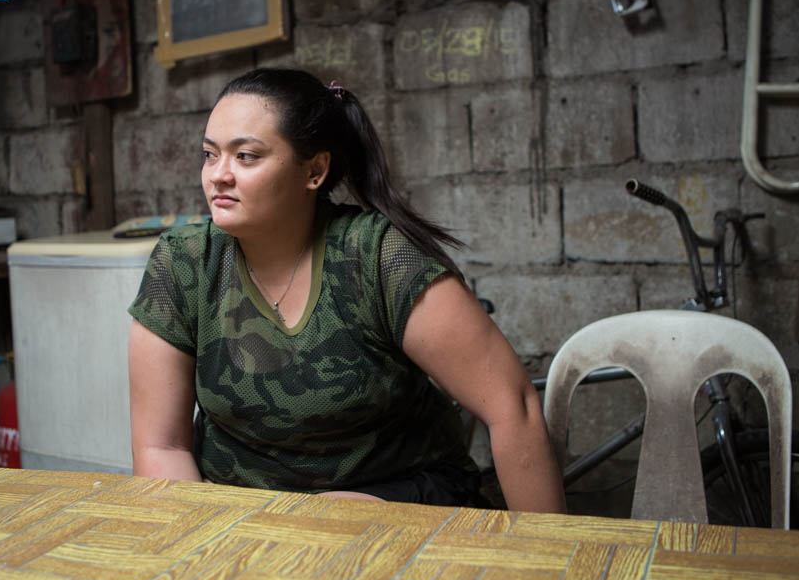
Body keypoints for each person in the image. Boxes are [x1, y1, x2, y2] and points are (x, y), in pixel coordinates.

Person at [127, 67, 565, 512]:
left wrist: (550, 559)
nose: (218, 175)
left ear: (314, 170)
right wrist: (205, 548)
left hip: (394, 501)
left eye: (246, 157)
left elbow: (514, 408)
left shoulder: (375, 257)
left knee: (331, 514)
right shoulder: (185, 263)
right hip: (242, 517)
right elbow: (162, 447)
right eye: (209, 154)